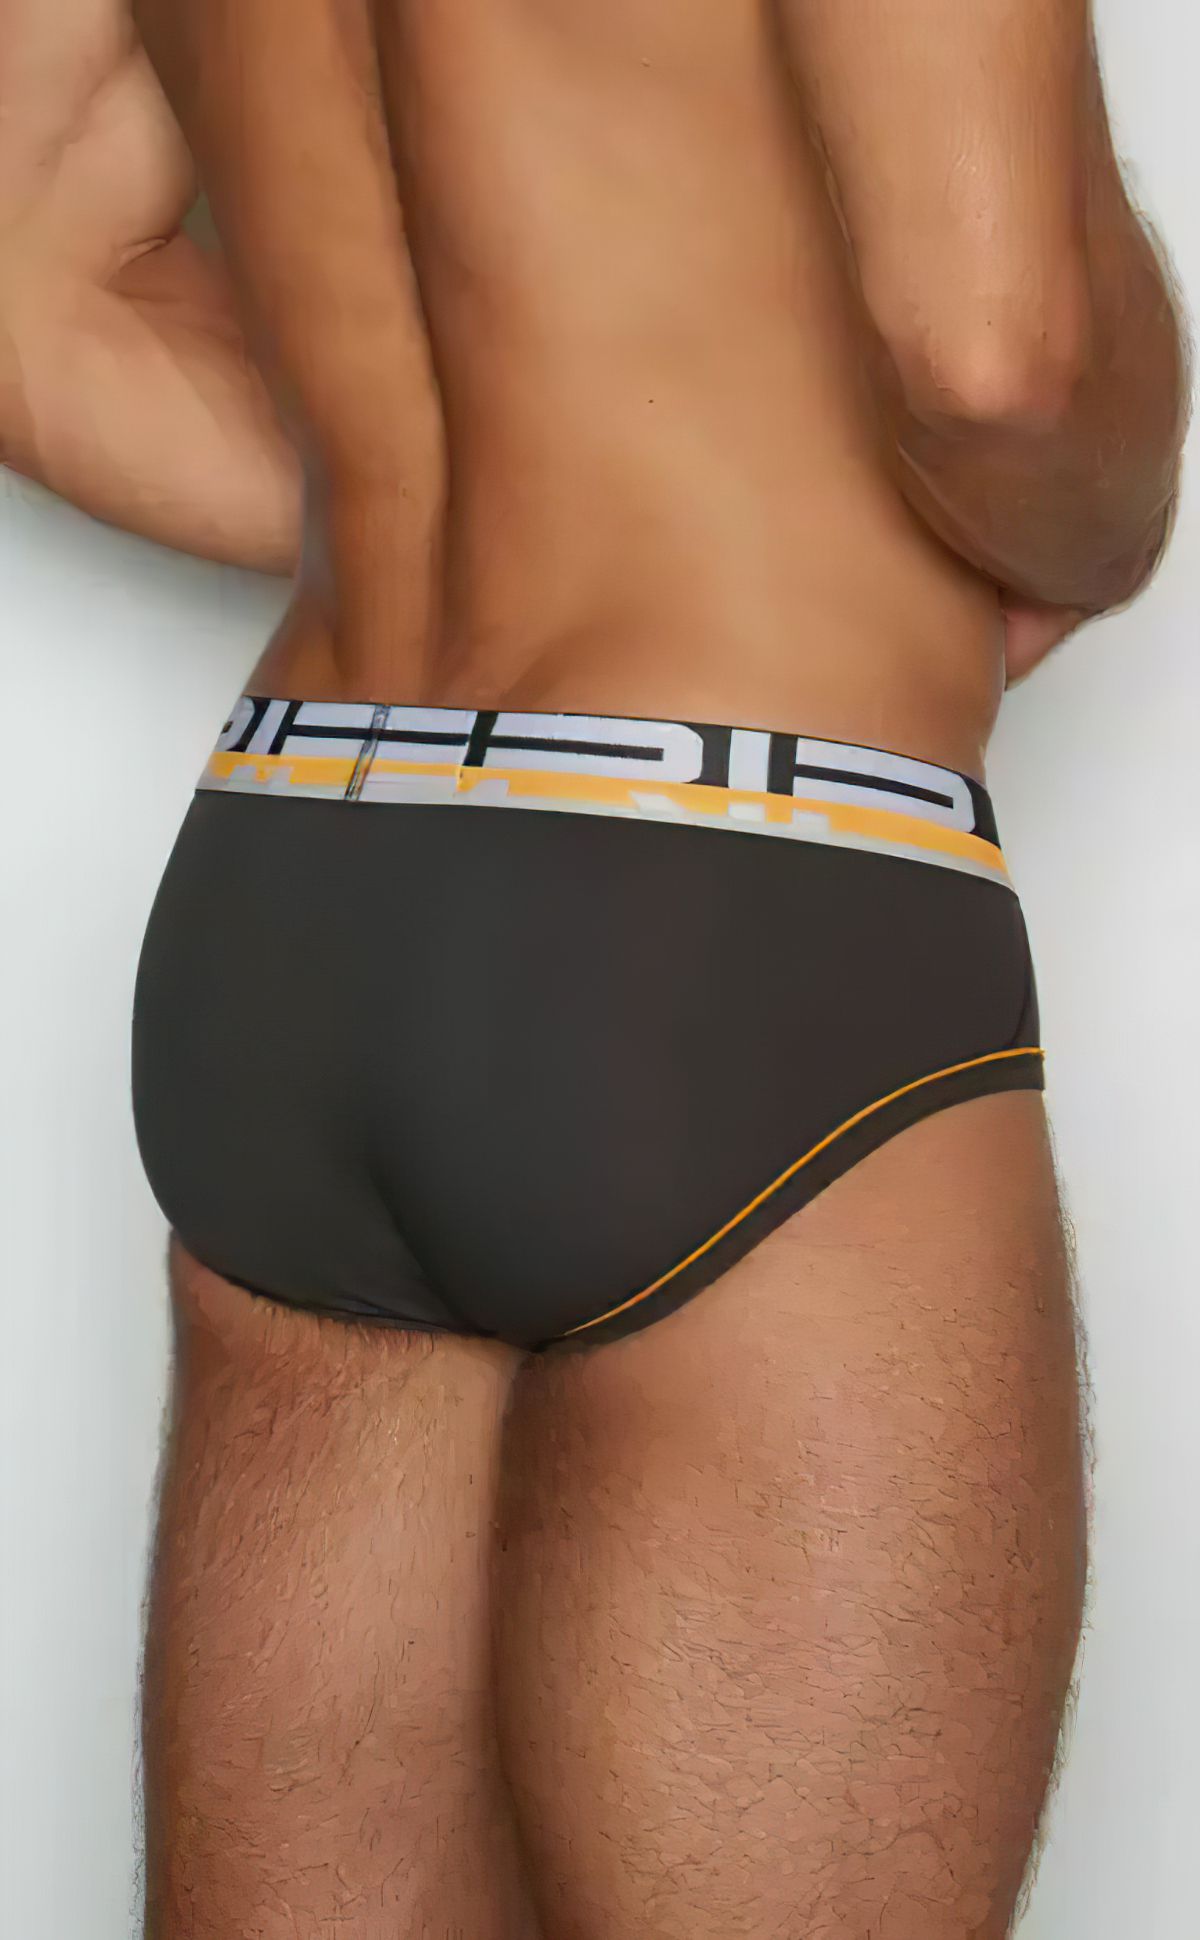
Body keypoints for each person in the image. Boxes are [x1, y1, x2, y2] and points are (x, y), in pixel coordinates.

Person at [0, 1, 1188, 1934]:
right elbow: (1002, 354)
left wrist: (443, 477)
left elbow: (27, 287)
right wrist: (1101, 525)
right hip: (724, 905)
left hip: (297, 875)